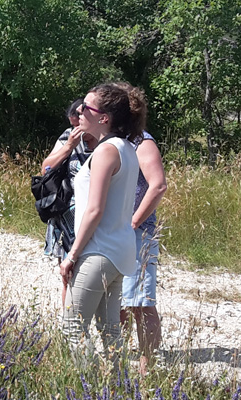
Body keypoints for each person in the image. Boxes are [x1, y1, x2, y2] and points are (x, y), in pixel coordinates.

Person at [59, 83, 146, 365]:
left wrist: (72, 255)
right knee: (110, 334)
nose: (79, 111)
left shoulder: (107, 151)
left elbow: (94, 209)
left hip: (99, 251)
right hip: (119, 252)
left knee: (73, 328)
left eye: (87, 107)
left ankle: (88, 387)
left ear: (104, 117)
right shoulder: (127, 148)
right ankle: (118, 388)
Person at [41, 98, 98, 306]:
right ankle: (69, 326)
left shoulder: (106, 141)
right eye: (73, 124)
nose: (76, 129)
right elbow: (45, 169)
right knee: (68, 277)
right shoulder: (68, 136)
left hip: (97, 215)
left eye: (79, 123)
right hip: (68, 216)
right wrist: (69, 146)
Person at [121, 129, 167, 374]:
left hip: (137, 233)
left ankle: (146, 367)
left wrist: (134, 222)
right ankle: (117, 361)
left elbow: (158, 185)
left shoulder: (141, 141)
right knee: (118, 302)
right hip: (115, 233)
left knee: (140, 303)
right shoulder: (116, 139)